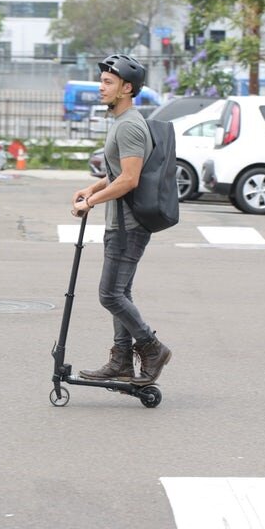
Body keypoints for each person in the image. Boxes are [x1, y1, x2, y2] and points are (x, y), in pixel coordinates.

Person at [71, 53, 172, 385]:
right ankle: (121, 362)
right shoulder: (122, 122)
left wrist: (92, 202)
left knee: (110, 295)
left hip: (129, 226)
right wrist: (92, 188)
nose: (101, 87)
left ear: (127, 88)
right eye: (102, 81)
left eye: (108, 82)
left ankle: (151, 347)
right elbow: (117, 174)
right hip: (122, 224)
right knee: (120, 294)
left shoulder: (129, 125)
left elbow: (130, 179)